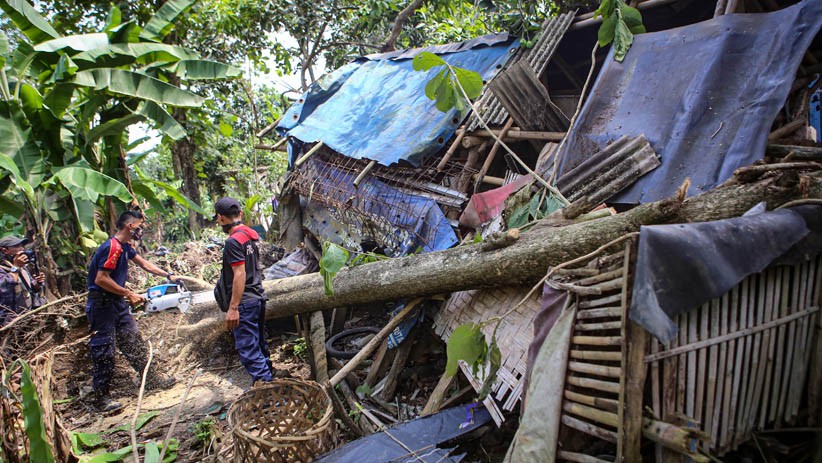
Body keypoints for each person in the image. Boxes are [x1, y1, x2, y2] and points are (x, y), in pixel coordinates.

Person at [86, 210, 177, 412]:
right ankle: (101, 399)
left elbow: (144, 264)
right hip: (102, 305)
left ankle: (152, 381)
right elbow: (100, 279)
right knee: (104, 351)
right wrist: (129, 294)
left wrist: (168, 275)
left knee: (133, 342)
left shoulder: (125, 247)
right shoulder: (113, 248)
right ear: (130, 226)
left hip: (117, 303)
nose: (141, 230)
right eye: (140, 226)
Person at [213, 197, 274, 384]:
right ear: (240, 214)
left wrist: (233, 308)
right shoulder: (250, 237)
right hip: (257, 298)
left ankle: (270, 394)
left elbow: (239, 273)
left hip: (245, 303)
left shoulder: (233, 242)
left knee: (249, 350)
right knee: (259, 345)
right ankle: (270, 381)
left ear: (221, 218)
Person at [0, 235, 46, 326]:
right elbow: (3, 289)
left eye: (22, 246)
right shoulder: (3, 268)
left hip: (28, 317)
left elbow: (28, 290)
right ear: (4, 250)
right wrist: (16, 267)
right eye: (17, 246)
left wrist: (37, 284)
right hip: (9, 322)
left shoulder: (23, 268)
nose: (21, 249)